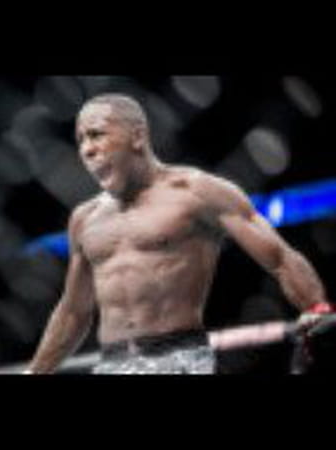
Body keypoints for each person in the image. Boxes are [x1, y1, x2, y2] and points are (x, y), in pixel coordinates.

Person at [24, 93, 333, 374]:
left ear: (137, 136)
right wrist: (35, 372)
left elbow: (279, 258)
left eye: (96, 134)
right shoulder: (85, 218)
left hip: (178, 359)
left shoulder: (196, 192)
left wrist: (316, 307)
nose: (87, 149)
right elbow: (73, 311)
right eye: (80, 140)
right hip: (112, 364)